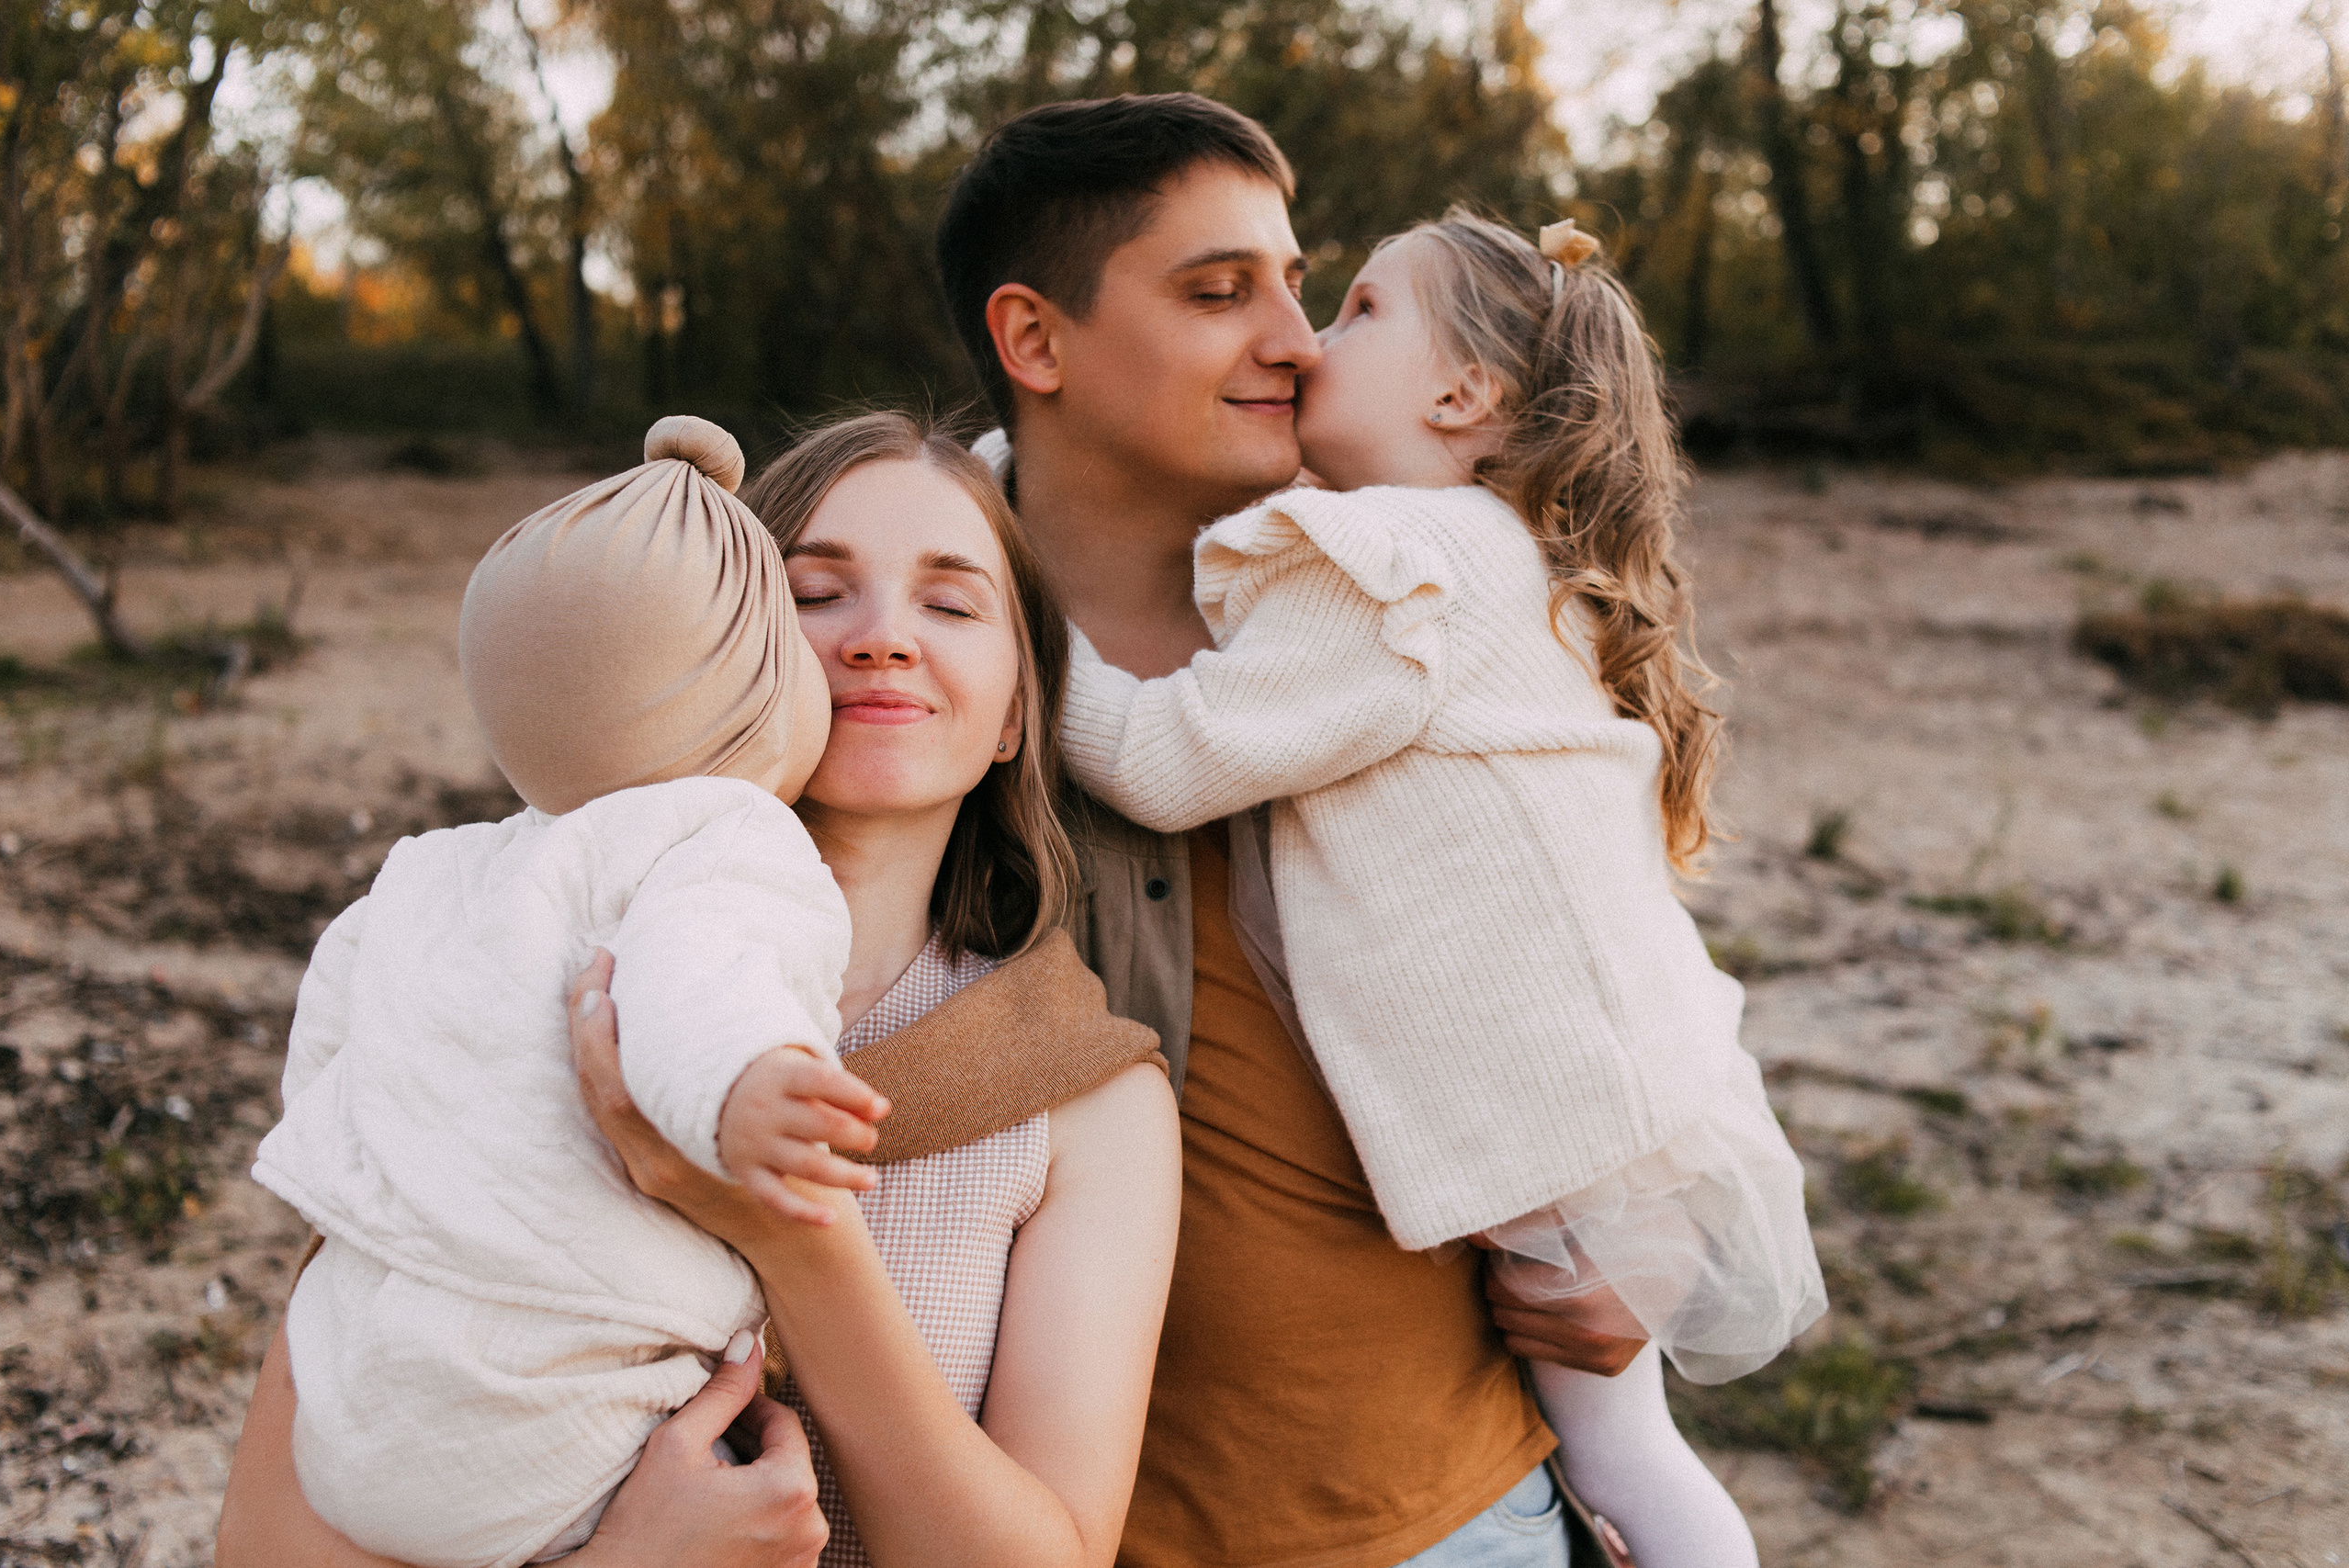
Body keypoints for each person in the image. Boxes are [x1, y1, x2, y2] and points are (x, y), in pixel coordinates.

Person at [216, 411, 1182, 1568]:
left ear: (1016, 712)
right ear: (711, 645)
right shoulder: (513, 966)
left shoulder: (1084, 1102)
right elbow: (268, 1540)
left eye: (951, 604)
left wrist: (791, 1235)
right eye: (813, 594)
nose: (882, 638)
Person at [937, 91, 1668, 1568]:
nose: (1296, 341)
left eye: (1300, 284)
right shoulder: (884, 642)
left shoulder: (1397, 582)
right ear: (1035, 341)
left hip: (1458, 1515)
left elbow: (1598, 942)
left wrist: (1650, 1238)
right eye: (1221, 293)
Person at [1055, 207, 1827, 1567]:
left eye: (1357, 309)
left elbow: (1162, 763)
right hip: (1610, 1086)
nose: (1308, 338)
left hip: (1537, 1117)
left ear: (1464, 393)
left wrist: (1010, 600)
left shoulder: (1391, 557)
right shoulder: (1497, 548)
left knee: (1626, 1455)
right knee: (1633, 1454)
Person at [247, 413, 885, 1567]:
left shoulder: (439, 864)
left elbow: (333, 1035)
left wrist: (375, 1183)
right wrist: (744, 1087)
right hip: (556, 1414)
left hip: (363, 1397)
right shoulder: (727, 832)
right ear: (753, 691)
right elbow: (704, 979)